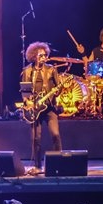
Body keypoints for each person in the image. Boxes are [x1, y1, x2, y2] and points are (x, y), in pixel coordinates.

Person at [20, 42, 62, 173]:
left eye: (45, 55)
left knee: (55, 134)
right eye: (41, 55)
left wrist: (57, 92)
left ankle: (58, 165)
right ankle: (38, 166)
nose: (44, 57)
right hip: (34, 108)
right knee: (36, 138)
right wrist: (27, 102)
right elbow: (24, 90)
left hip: (49, 107)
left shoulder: (51, 69)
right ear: (34, 57)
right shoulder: (27, 71)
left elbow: (59, 87)